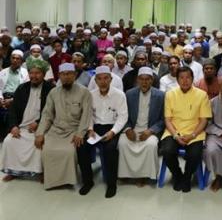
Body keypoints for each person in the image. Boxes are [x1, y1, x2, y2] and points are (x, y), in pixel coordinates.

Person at [35, 63, 92, 190]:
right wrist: (40, 133)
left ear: (75, 75)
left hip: (74, 130)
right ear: (59, 76)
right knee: (47, 150)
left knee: (69, 152)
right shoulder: (53, 93)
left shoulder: (84, 92)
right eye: (63, 74)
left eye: (69, 74)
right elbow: (47, 115)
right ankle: (52, 180)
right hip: (56, 130)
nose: (66, 77)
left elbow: (86, 115)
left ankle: (68, 180)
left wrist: (80, 134)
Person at [77, 66, 128, 198]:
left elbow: (123, 117)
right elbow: (88, 115)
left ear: (111, 79)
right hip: (94, 129)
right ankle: (87, 182)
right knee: (82, 147)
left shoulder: (119, 95)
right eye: (99, 79)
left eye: (106, 78)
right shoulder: (91, 95)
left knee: (110, 149)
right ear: (95, 80)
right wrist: (90, 129)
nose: (103, 81)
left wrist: (113, 132)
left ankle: (112, 184)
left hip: (112, 127)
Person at [161, 66, 212, 192]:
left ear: (193, 79)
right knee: (167, 151)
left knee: (195, 154)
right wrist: (175, 135)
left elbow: (204, 120)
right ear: (177, 79)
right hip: (174, 131)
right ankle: (178, 174)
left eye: (188, 77)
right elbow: (167, 119)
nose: (185, 81)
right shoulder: (170, 94)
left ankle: (187, 177)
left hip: (195, 132)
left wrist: (192, 135)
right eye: (181, 78)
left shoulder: (202, 95)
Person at [0, 59, 53, 181]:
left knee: (39, 144)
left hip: (41, 128)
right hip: (22, 127)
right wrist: (13, 126)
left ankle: (41, 171)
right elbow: (12, 110)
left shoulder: (50, 89)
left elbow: (52, 112)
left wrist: (38, 123)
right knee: (9, 141)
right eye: (31, 73)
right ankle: (13, 170)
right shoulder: (21, 88)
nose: (34, 76)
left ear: (44, 74)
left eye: (37, 73)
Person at [118, 67, 165, 184]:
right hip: (132, 128)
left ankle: (144, 175)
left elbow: (163, 119)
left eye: (147, 79)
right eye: (141, 79)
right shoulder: (129, 94)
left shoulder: (161, 95)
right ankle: (125, 174)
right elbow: (123, 115)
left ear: (152, 80)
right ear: (137, 80)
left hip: (150, 130)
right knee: (122, 143)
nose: (144, 82)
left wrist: (150, 131)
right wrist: (128, 129)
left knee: (150, 145)